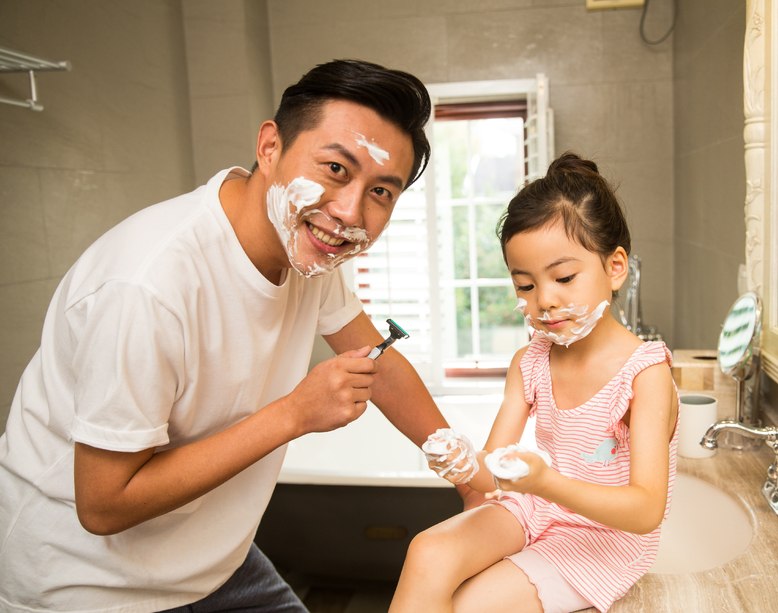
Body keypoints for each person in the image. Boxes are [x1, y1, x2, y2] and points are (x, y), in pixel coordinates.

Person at [0, 59, 466, 613]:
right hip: (87, 583)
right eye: (337, 169)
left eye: (382, 192)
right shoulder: (147, 286)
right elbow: (103, 506)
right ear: (270, 147)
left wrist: (470, 476)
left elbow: (381, 367)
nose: (349, 213)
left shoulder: (308, 251)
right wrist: (293, 414)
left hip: (213, 559)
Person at [389, 152, 681, 613]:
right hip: (536, 508)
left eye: (564, 277)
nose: (544, 300)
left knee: (467, 605)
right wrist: (463, 463)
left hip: (603, 538)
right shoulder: (530, 361)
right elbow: (490, 476)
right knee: (427, 551)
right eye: (524, 285)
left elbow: (645, 511)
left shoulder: (645, 373)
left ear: (616, 267)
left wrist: (545, 482)